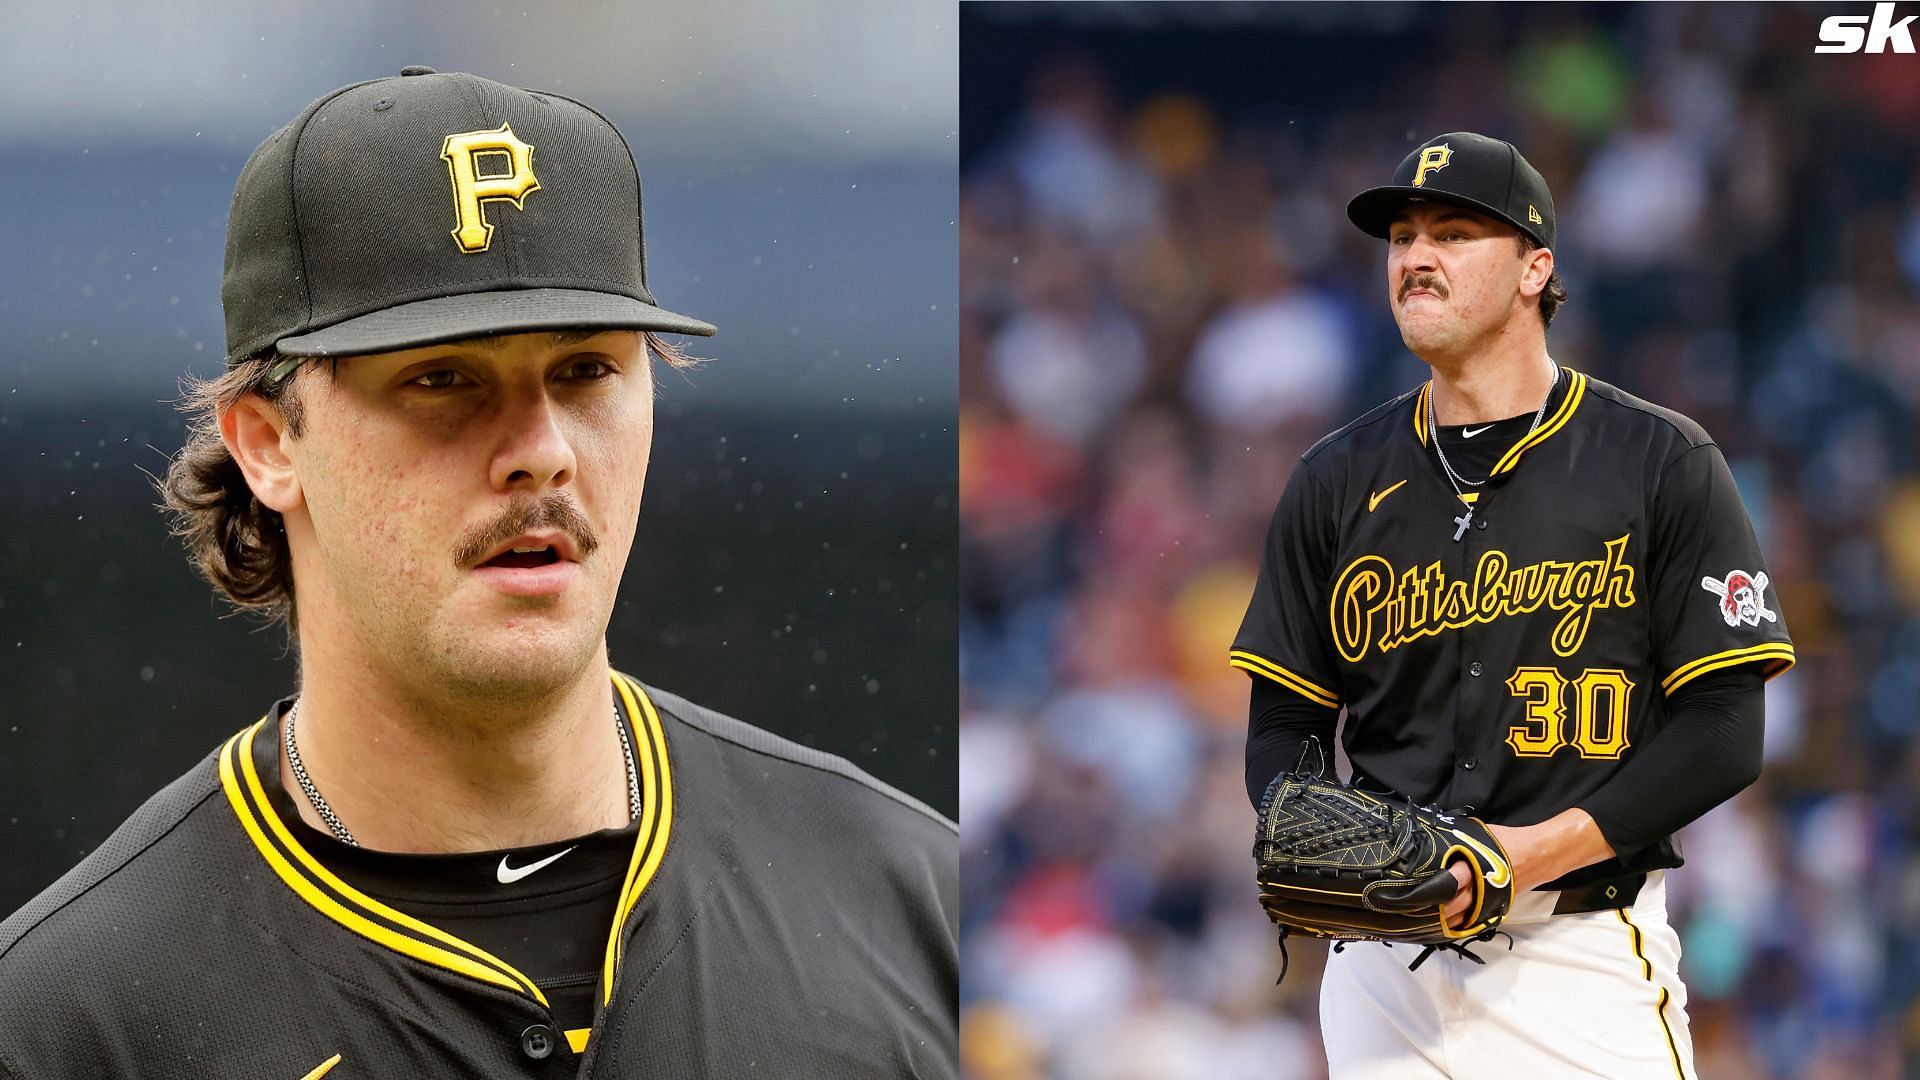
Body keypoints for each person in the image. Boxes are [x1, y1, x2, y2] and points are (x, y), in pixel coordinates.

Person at [0, 68, 956, 1079]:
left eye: (586, 369)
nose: (540, 450)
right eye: (444, 377)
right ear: (270, 445)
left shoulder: (914, 900)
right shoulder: (73, 1025)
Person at [1231, 131, 1793, 1078]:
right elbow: (1285, 720)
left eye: (1453, 234)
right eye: (1403, 236)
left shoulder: (1659, 461)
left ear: (1537, 268)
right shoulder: (1335, 479)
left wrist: (1531, 853)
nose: (1416, 257)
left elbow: (1727, 728)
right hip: (1381, 968)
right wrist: (1322, 835)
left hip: (1574, 954)